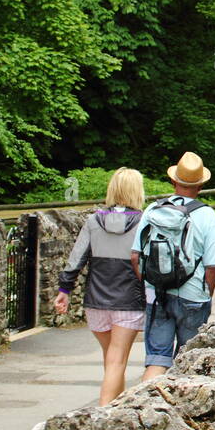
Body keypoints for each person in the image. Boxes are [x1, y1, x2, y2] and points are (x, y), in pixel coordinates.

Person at [55, 168, 146, 405]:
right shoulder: (144, 221)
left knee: (111, 360)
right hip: (128, 299)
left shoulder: (94, 220)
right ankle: (103, 413)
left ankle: (116, 411)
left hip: (96, 300)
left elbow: (77, 258)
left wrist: (64, 290)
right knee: (117, 361)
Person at [131, 152, 215, 380]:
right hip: (193, 296)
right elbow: (213, 266)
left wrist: (151, 284)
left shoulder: (153, 210)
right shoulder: (207, 215)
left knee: (157, 359)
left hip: (158, 294)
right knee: (188, 362)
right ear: (200, 185)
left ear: (174, 181)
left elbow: (135, 256)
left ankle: (144, 407)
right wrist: (206, 296)